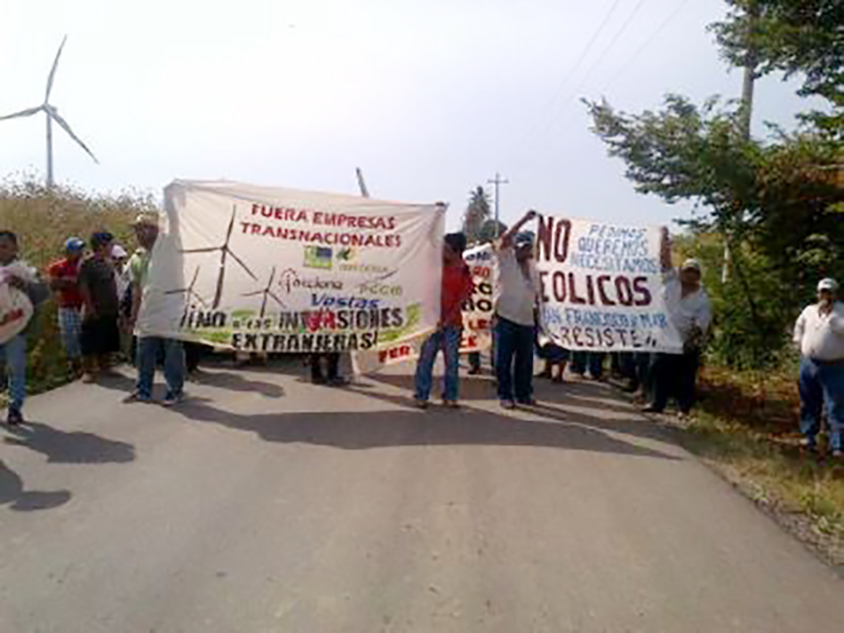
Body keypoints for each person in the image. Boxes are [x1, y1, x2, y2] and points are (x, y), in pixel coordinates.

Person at [125, 214, 186, 406]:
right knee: (144, 352)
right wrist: (133, 315)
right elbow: (136, 288)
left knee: (172, 351)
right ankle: (143, 390)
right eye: (137, 229)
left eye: (143, 228)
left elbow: (176, 229)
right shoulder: (136, 257)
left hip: (171, 307)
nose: (139, 233)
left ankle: (174, 391)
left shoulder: (169, 250)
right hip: (148, 309)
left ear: (155, 230)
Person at [643, 248, 712, 417]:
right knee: (658, 370)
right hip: (663, 337)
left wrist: (689, 341)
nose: (689, 275)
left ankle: (683, 409)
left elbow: (701, 324)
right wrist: (664, 241)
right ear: (681, 272)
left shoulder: (703, 298)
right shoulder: (671, 282)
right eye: (687, 271)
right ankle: (657, 403)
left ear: (698, 276)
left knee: (685, 377)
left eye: (693, 272)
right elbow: (665, 261)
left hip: (685, 340)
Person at [414, 232, 473, 408]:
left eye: (446, 249)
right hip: (431, 323)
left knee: (452, 363)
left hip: (452, 325)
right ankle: (421, 395)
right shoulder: (434, 265)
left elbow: (461, 299)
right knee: (425, 360)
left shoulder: (464, 270)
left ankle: (450, 396)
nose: (442, 252)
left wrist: (446, 321)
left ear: (457, 252)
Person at [0, 231, 49, 425]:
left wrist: (21, 284)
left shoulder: (25, 270)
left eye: (4, 246)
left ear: (15, 247)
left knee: (15, 369)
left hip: (16, 329)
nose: (1, 250)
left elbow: (43, 292)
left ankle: (14, 408)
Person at [494, 210, 541, 408]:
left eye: (528, 247)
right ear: (515, 247)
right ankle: (505, 395)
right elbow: (505, 238)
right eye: (522, 247)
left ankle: (523, 394)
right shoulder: (506, 258)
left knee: (525, 361)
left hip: (527, 320)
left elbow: (539, 292)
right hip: (506, 317)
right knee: (503, 360)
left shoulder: (534, 267)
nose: (525, 251)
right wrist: (524, 219)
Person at [793, 278, 844, 459]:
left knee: (835, 405)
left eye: (829, 292)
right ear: (817, 293)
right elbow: (799, 327)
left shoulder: (841, 311)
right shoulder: (809, 310)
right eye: (822, 292)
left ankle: (838, 446)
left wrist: (833, 319)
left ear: (835, 294)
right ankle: (809, 437)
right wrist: (799, 343)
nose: (825, 296)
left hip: (834, 365)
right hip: (809, 363)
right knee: (809, 402)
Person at [78, 231, 121, 382]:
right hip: (94, 308)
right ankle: (87, 371)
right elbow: (83, 287)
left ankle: (106, 367)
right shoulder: (87, 263)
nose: (112, 247)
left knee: (108, 338)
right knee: (90, 340)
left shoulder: (107, 263)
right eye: (110, 245)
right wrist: (89, 307)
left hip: (109, 309)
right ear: (101, 246)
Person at [47, 237, 86, 377]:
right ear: (68, 251)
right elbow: (54, 285)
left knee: (84, 335)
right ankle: (75, 365)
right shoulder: (57, 267)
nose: (80, 252)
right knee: (69, 336)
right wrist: (70, 281)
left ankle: (87, 365)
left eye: (81, 249)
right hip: (66, 306)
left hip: (83, 305)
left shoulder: (85, 265)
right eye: (76, 249)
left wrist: (66, 281)